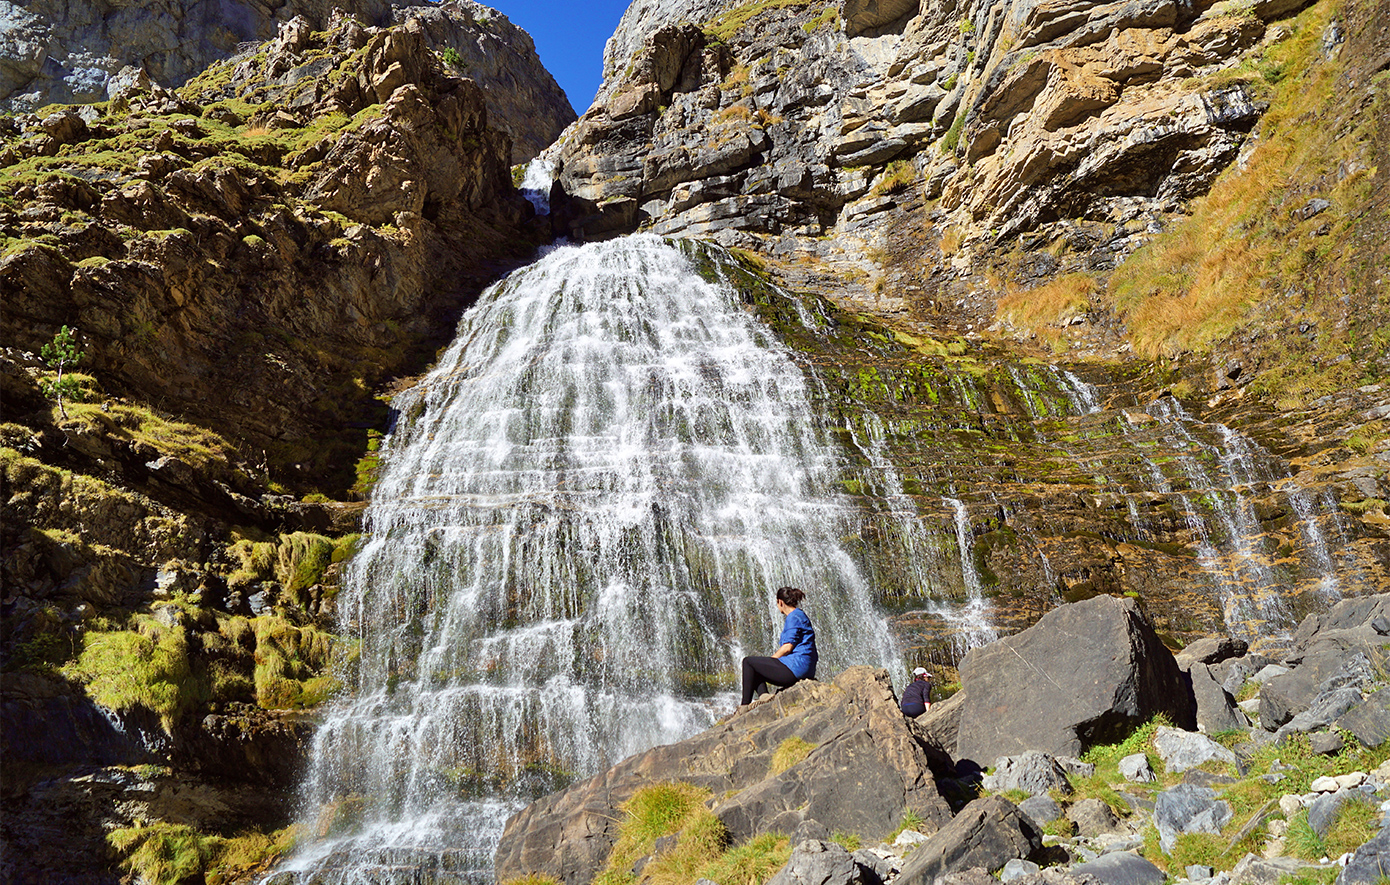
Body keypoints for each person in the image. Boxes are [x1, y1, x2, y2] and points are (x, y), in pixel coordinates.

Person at [740, 586, 817, 707]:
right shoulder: (799, 615)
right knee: (757, 666)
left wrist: (771, 660)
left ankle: (744, 706)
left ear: (780, 602)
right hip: (805, 669)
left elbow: (787, 647)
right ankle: (764, 696)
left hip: (795, 669)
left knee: (748, 662)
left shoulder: (793, 616)